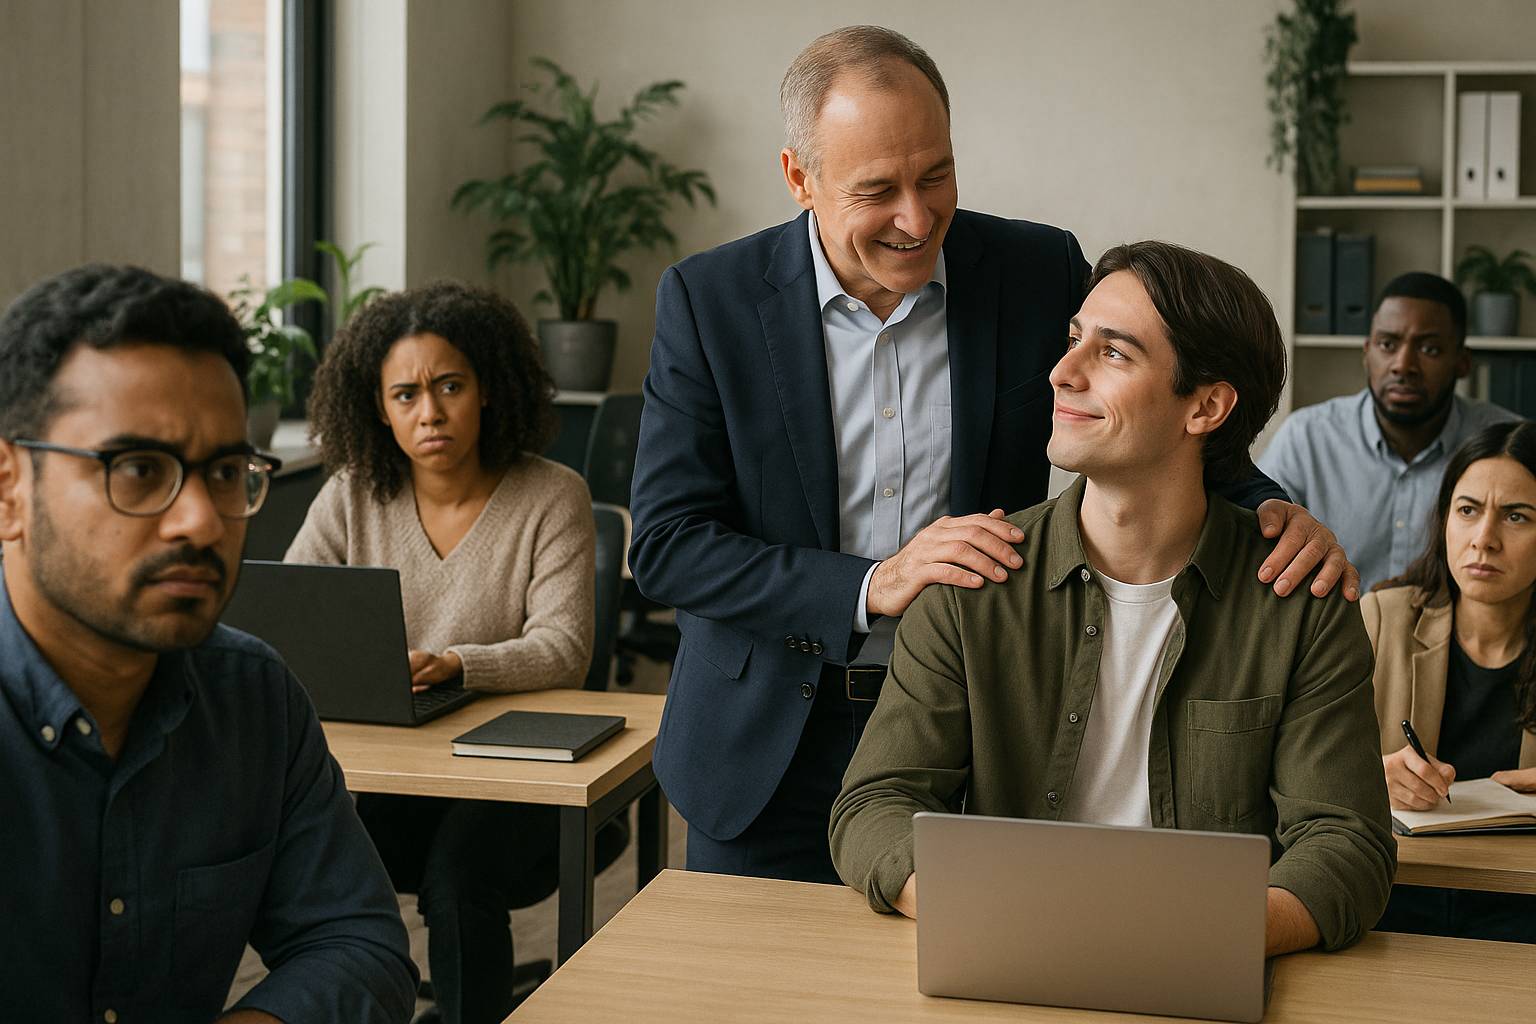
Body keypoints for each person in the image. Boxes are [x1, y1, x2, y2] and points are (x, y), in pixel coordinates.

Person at [629, 23, 1358, 886]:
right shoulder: (708, 302)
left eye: (935, 174)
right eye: (878, 190)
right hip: (762, 748)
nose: (916, 217)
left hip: (978, 727)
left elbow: (1148, 403)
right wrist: (871, 584)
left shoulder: (1035, 268)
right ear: (800, 179)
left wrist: (1274, 512)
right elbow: (668, 546)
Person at [830, 241, 1395, 956]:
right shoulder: (971, 587)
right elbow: (874, 808)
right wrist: (996, 916)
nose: (1063, 374)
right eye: (1073, 342)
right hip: (1010, 957)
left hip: (1205, 967)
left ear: (1208, 406)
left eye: (1114, 354)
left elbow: (1347, 845)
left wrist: (1185, 940)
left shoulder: (1300, 602)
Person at [0, 264, 417, 1022]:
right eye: (137, 468)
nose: (199, 519)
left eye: (225, 471)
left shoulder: (252, 699)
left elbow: (359, 945)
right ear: (8, 490)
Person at [287, 280, 599, 1024]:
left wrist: (456, 663)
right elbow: (290, 615)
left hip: (520, 775)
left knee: (459, 878)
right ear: (379, 408)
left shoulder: (552, 494)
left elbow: (566, 649)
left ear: (487, 389)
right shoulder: (351, 496)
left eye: (449, 386)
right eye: (404, 395)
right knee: (296, 854)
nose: (428, 412)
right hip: (397, 766)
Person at [1364, 420, 1536, 943]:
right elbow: (1297, 769)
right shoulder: (1381, 619)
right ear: (1444, 521)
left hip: (1520, 909)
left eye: (1516, 517)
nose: (1485, 539)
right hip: (1393, 896)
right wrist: (1372, 775)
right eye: (1468, 510)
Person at [1258, 272, 1522, 591]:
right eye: (1387, 344)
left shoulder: (1506, 444)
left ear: (1462, 362)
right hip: (1333, 634)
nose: (1403, 365)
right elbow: (1255, 545)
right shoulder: (1307, 438)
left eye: (1430, 349)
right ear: (1367, 353)